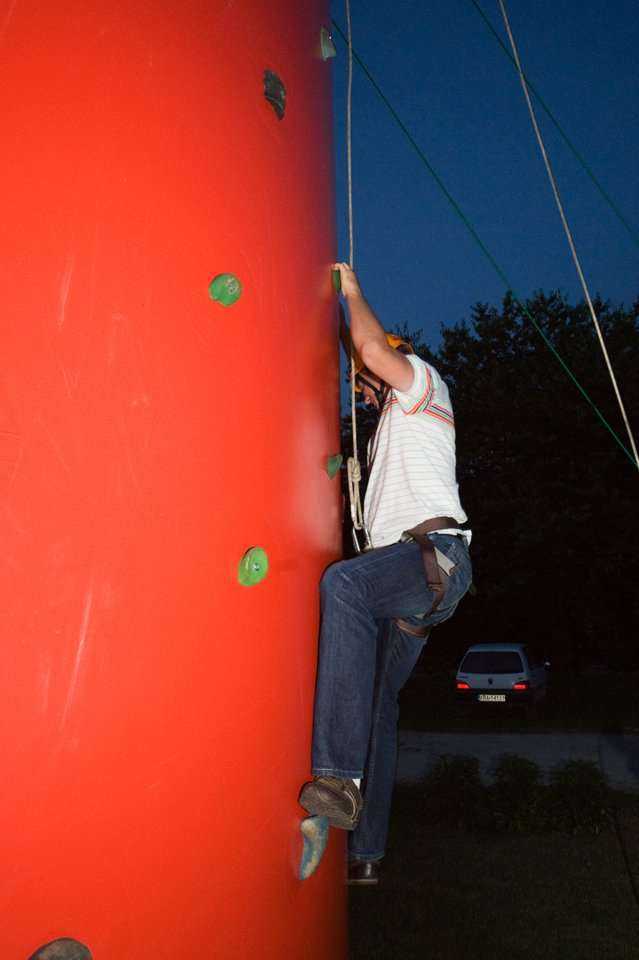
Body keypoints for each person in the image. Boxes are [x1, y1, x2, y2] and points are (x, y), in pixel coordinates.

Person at [299, 262, 473, 885]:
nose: (364, 387)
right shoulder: (390, 432)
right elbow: (365, 357)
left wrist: (350, 291)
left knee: (343, 586)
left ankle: (338, 778)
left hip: (435, 557)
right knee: (377, 705)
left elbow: (372, 345)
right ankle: (366, 853)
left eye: (369, 380)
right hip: (415, 587)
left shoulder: (424, 384)